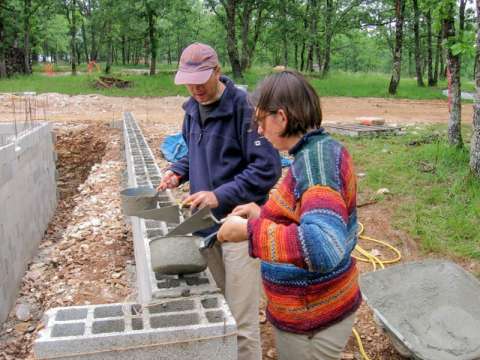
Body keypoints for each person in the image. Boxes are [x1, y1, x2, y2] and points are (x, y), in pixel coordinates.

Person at [217, 70, 362, 360]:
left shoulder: (316, 165)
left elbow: (323, 247)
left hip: (313, 318)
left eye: (260, 121)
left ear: (281, 118)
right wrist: (261, 214)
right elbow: (305, 216)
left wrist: (249, 231)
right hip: (312, 310)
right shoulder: (318, 150)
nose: (258, 130)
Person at [157, 43, 282, 360]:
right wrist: (177, 172)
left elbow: (267, 168)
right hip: (207, 227)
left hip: (239, 226)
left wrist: (219, 194)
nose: (195, 87)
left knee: (241, 322)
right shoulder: (192, 110)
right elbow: (191, 151)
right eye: (188, 80)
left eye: (202, 79)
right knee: (224, 305)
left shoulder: (246, 109)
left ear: (217, 70)